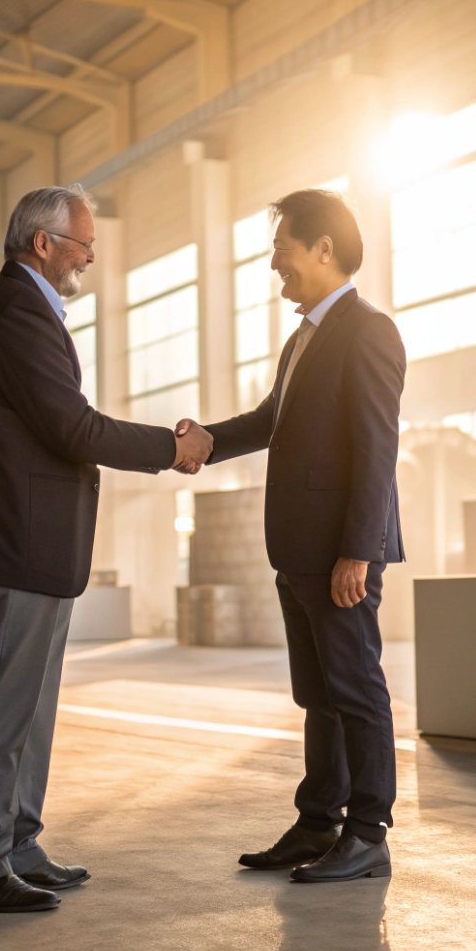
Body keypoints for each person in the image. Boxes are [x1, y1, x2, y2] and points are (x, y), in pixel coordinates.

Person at [0, 184, 213, 913]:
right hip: (18, 537)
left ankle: (16, 844)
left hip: (33, 539)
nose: (90, 256)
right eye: (83, 243)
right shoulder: (16, 312)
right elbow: (72, 427)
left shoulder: (18, 310)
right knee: (2, 707)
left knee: (28, 706)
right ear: (43, 244)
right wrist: (170, 447)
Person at [177, 188, 406, 883]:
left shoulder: (369, 331)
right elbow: (270, 419)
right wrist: (208, 439)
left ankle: (367, 833)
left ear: (323, 249)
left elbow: (376, 449)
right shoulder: (303, 336)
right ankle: (318, 821)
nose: (275, 260)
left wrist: (359, 551)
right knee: (319, 693)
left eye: (282, 246)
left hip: (341, 553)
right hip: (301, 551)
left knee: (356, 689)